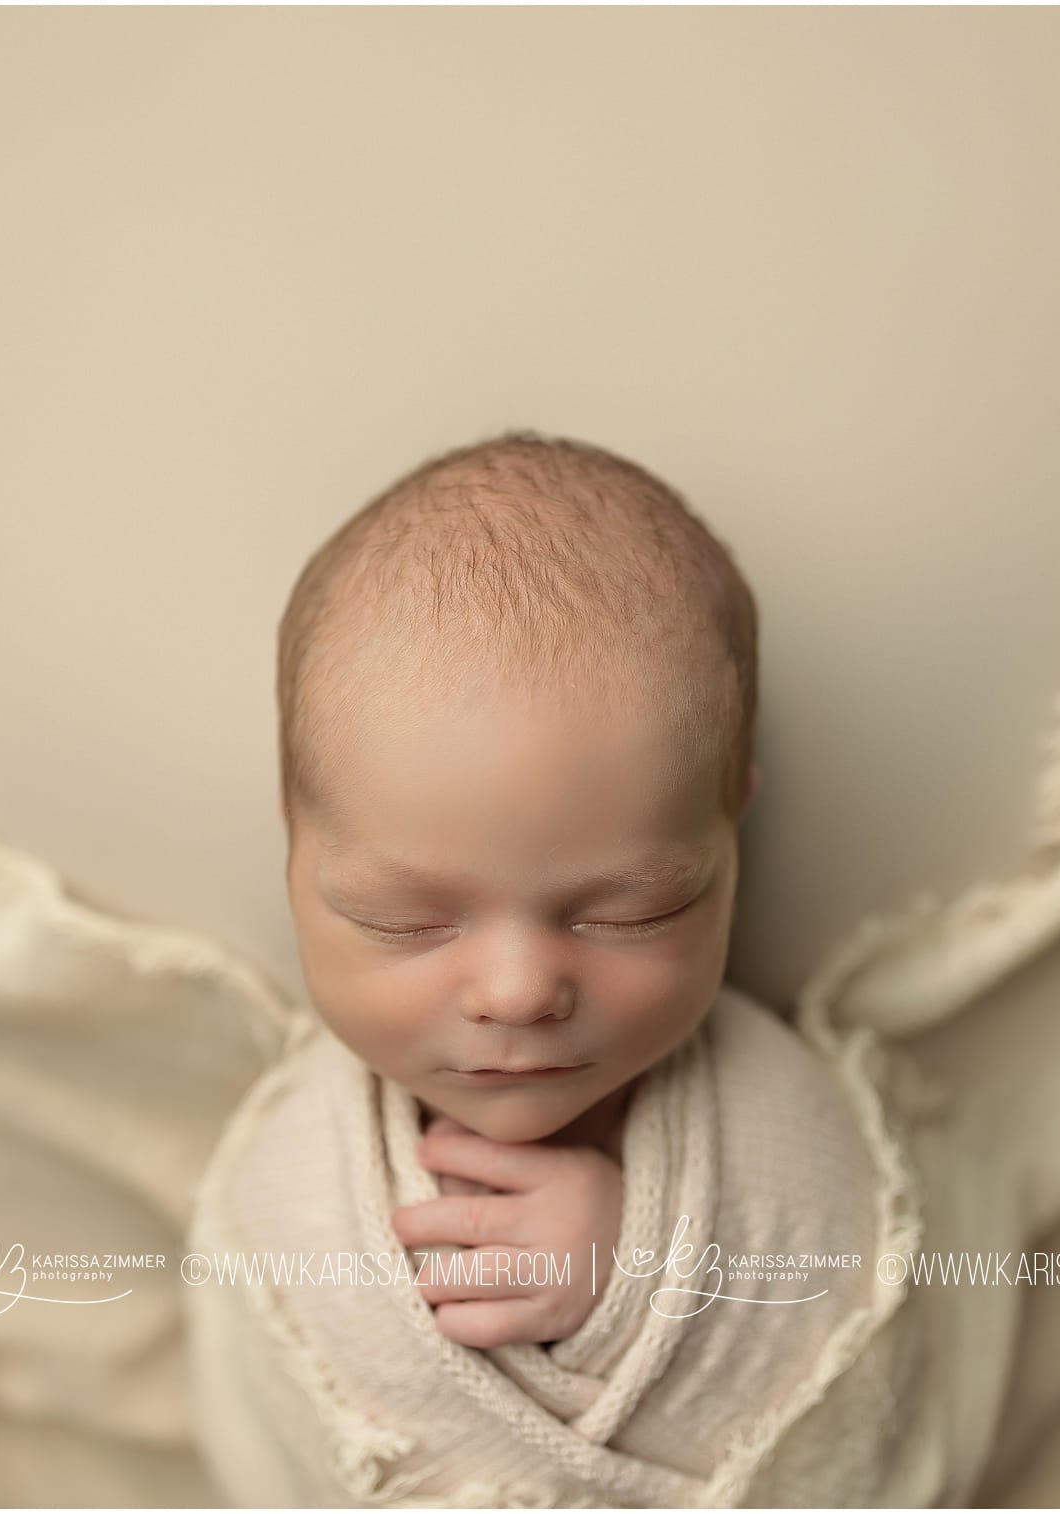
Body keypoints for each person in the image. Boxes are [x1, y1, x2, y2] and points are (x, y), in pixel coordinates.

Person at [269, 427, 762, 1349]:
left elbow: (876, 1340)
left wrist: (655, 1272)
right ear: (293, 841)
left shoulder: (777, 1134)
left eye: (633, 911)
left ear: (734, 822)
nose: (518, 991)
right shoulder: (277, 1183)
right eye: (402, 920)